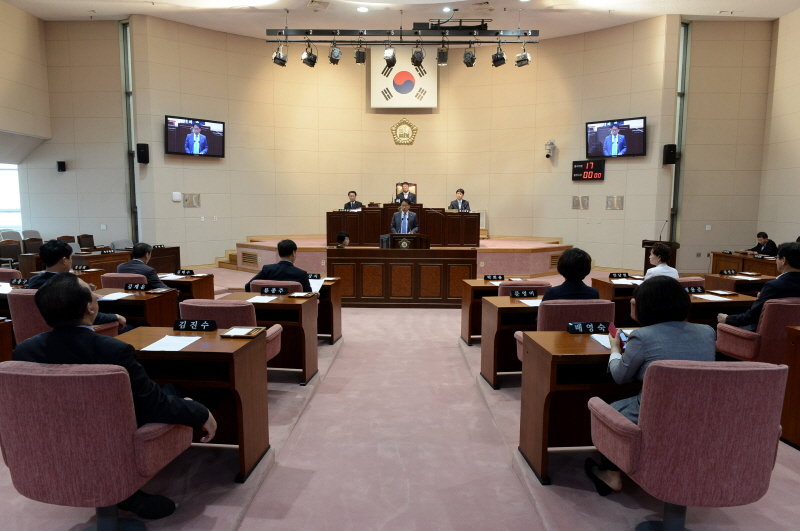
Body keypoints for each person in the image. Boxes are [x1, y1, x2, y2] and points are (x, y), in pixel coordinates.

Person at [13, 273, 217, 519]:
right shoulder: (113, 350)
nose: (96, 293)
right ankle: (124, 490)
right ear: (90, 308)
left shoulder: (23, 351)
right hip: (115, 438)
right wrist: (199, 411)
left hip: (53, 439)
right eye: (91, 291)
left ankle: (126, 495)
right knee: (174, 390)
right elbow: (153, 407)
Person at [585, 276, 716, 496]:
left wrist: (616, 349)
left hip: (653, 414)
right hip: (700, 414)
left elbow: (619, 376)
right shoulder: (707, 332)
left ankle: (611, 475)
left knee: (607, 406)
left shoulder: (642, 337)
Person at [28, 239, 127, 331]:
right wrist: (115, 316)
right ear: (64, 260)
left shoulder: (33, 281)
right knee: (129, 327)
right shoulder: (68, 284)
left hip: (40, 333)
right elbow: (85, 316)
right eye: (71, 258)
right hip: (72, 333)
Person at [718, 241, 800, 330]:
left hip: (766, 334)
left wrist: (727, 319)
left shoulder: (774, 286)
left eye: (777, 258)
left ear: (783, 260)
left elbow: (751, 317)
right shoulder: (774, 286)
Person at [245, 239, 313, 292]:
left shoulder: (267, 269)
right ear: (293, 253)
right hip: (293, 309)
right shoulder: (301, 274)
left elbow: (248, 286)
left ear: (279, 253)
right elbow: (309, 295)